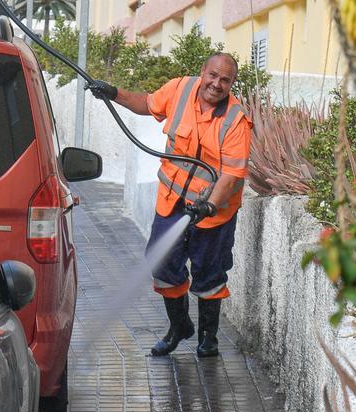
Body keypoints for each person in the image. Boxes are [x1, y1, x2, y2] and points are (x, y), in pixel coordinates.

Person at [88, 53, 252, 358]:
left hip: (213, 213)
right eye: (213, 75)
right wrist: (113, 93)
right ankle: (179, 327)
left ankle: (208, 338)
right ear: (202, 71)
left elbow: (231, 174)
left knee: (209, 271)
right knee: (162, 263)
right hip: (173, 202)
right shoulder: (179, 89)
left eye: (225, 80)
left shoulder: (235, 120)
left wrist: (209, 206)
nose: (216, 84)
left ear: (232, 84)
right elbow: (147, 104)